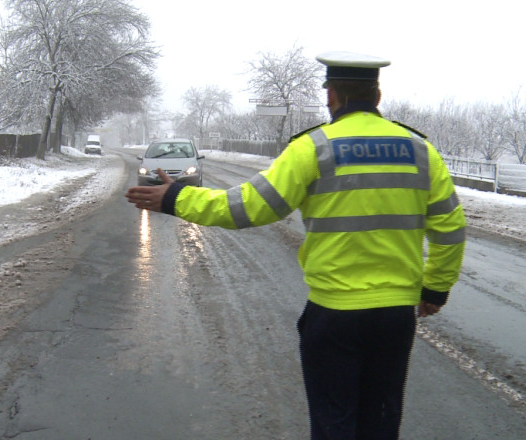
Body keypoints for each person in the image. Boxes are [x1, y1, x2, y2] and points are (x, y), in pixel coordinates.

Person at [125, 51, 466, 440]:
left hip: (335, 313)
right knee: (381, 421)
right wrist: (435, 288)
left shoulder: (313, 148)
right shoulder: (420, 151)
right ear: (378, 95)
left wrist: (176, 199)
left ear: (331, 96)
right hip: (395, 317)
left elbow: (248, 207)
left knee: (334, 421)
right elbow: (451, 228)